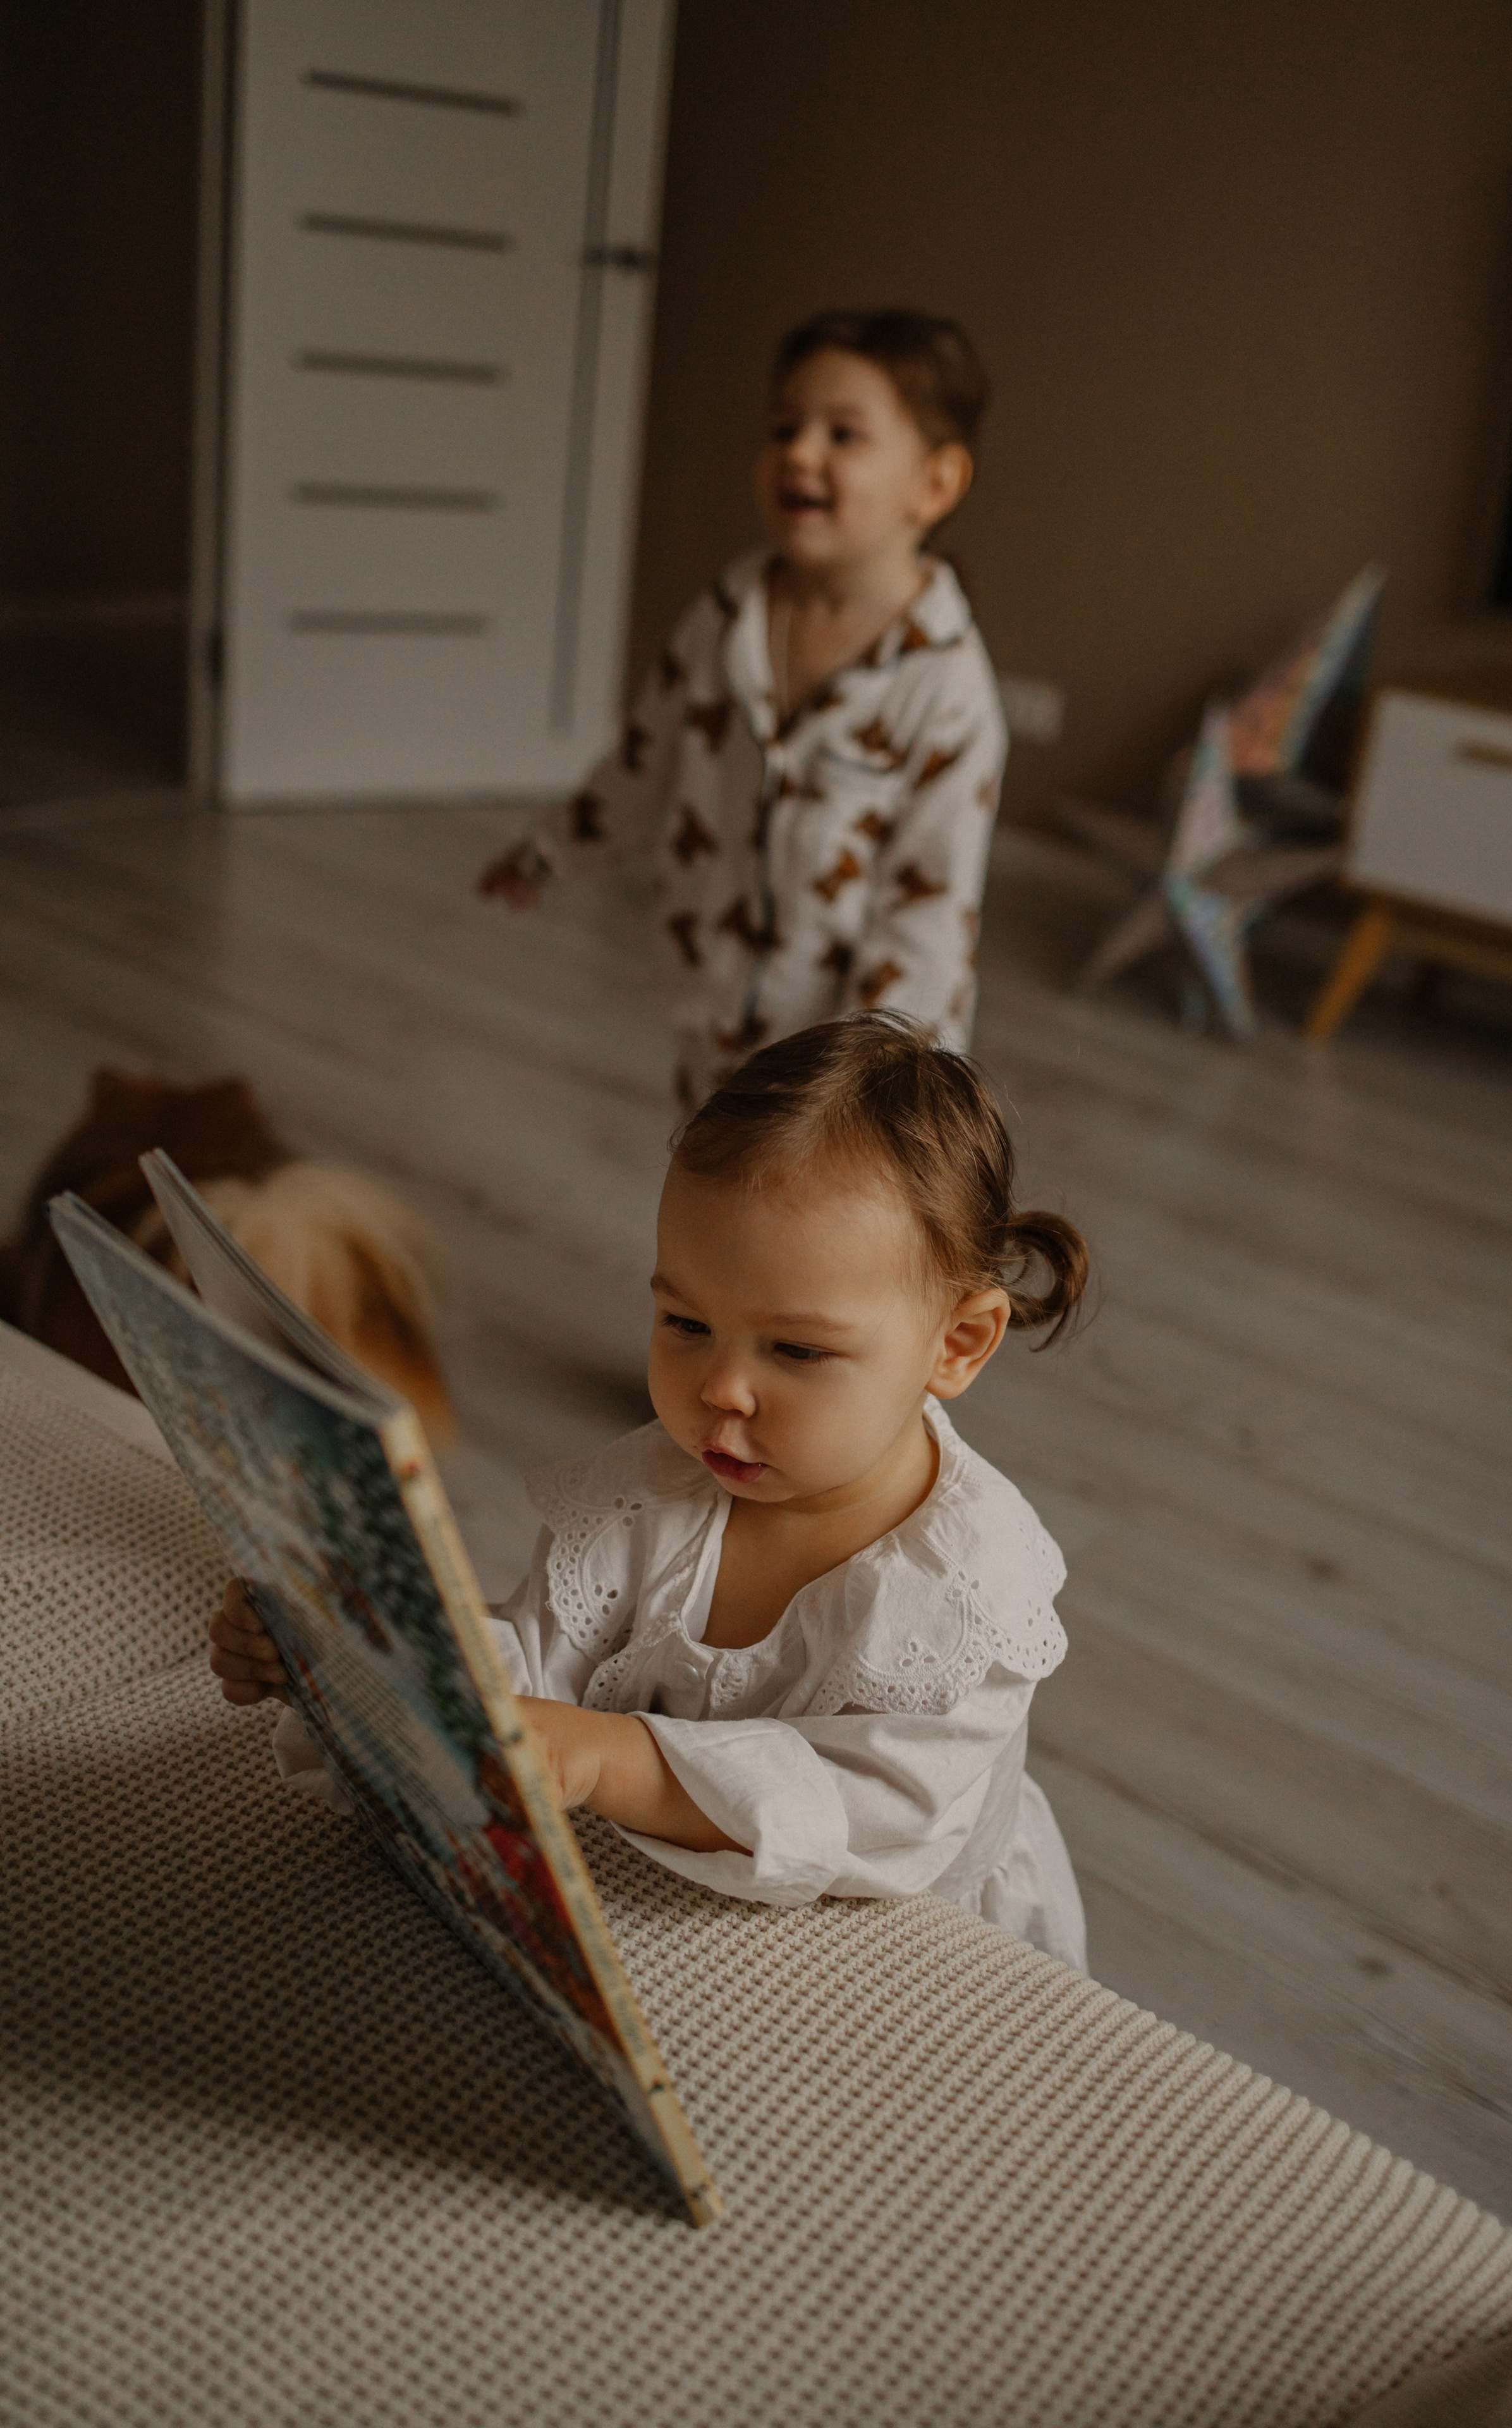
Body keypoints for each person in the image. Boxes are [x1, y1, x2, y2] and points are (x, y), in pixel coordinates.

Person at [210, 1015, 1090, 1968]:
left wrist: (608, 1756)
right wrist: (358, 1662)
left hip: (896, 1939)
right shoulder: (650, 1494)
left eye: (796, 1349)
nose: (721, 1389)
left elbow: (869, 1818)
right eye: (684, 1321)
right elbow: (535, 1672)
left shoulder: (969, 1594)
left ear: (957, 1344)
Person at [478, 309, 1008, 1108]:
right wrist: (548, 849)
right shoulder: (727, 619)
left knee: (813, 1231)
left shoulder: (946, 691)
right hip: (711, 1014)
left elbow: (926, 918)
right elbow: (643, 758)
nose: (798, 452)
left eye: (843, 435)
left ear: (934, 482)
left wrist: (888, 1087)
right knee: (713, 1186)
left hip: (845, 1071)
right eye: (784, 427)